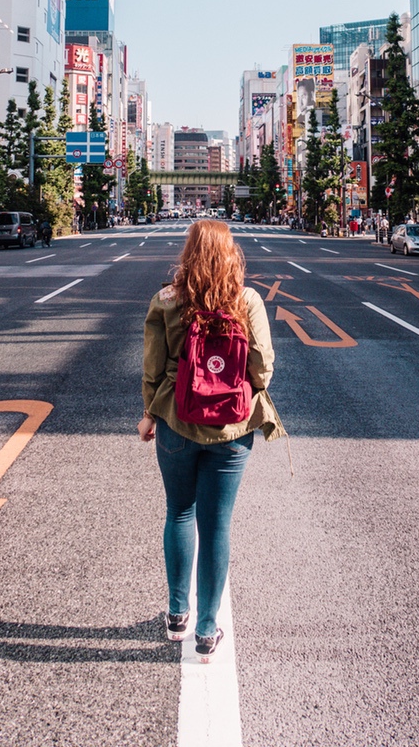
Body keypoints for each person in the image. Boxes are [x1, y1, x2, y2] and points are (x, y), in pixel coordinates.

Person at [139, 220, 285, 663]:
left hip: (176, 419)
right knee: (216, 525)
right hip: (232, 429)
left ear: (188, 253)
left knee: (179, 513)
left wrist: (149, 414)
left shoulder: (167, 300)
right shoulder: (247, 300)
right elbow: (261, 369)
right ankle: (206, 630)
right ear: (231, 254)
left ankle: (176, 615)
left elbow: (152, 366)